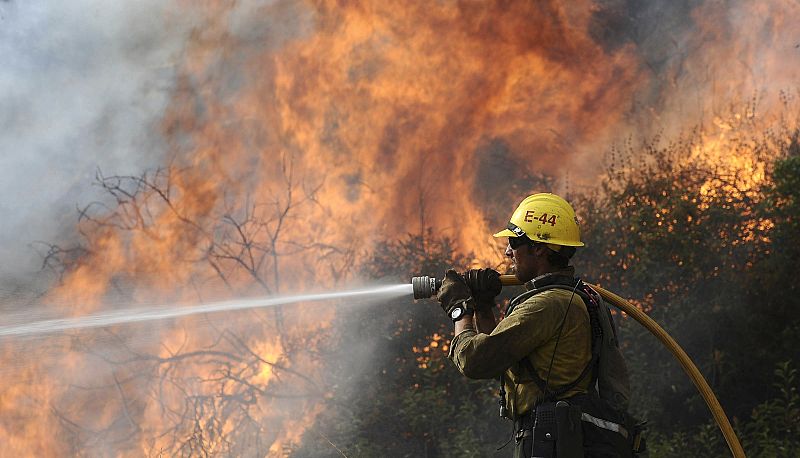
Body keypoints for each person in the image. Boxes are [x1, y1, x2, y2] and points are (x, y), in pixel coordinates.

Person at [436, 193, 642, 458]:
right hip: (553, 440)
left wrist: (459, 309)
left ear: (539, 248)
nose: (508, 251)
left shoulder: (549, 304)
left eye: (513, 242)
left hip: (550, 443)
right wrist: (484, 306)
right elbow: (498, 357)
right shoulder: (567, 298)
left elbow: (474, 359)